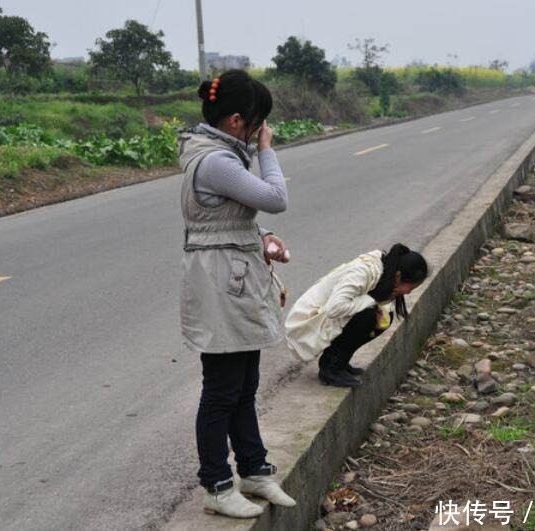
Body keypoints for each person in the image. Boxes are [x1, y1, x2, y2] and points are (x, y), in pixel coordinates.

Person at [178, 70, 295, 518]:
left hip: (233, 276)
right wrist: (267, 153)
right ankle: (217, 484)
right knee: (222, 390)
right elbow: (275, 196)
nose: (261, 130)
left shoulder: (221, 154)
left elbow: (224, 219)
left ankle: (254, 470)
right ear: (234, 121)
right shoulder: (217, 161)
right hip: (220, 285)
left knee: (244, 385)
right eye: (257, 122)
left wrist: (262, 236)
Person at [285, 244, 429, 387]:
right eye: (410, 288)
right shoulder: (363, 272)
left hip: (327, 315)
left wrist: (376, 300)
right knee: (368, 317)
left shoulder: (384, 272)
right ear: (398, 276)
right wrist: (372, 299)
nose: (408, 293)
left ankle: (340, 361)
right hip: (308, 320)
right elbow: (334, 308)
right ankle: (330, 368)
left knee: (384, 316)